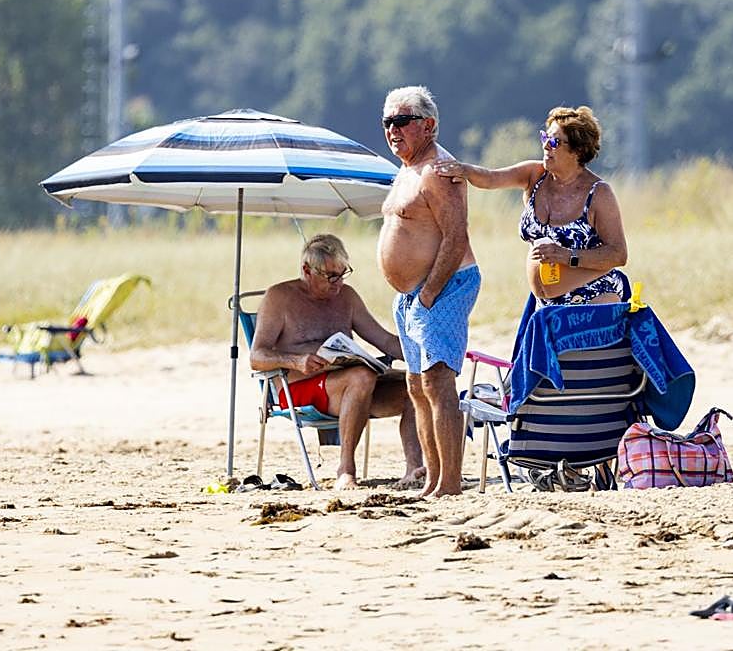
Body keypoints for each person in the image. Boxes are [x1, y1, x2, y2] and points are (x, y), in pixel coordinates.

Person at [249, 233, 424, 490]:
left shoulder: (347, 297)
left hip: (351, 387)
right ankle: (346, 470)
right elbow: (257, 357)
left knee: (417, 384)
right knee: (361, 376)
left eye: (343, 274)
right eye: (331, 276)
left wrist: (428, 355)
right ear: (307, 270)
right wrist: (296, 361)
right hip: (299, 387)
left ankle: (414, 468)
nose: (338, 283)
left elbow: (385, 341)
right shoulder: (280, 298)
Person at [377, 86, 481, 498]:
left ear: (429, 125)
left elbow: (456, 237)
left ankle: (450, 483)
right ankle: (433, 478)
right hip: (410, 295)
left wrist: (429, 292)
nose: (393, 130)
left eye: (402, 121)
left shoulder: (439, 170)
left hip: (443, 286)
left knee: (438, 383)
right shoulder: (406, 169)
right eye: (387, 122)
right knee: (416, 388)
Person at [433, 105, 627, 305]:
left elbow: (618, 254)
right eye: (545, 138)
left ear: (577, 150)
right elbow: (491, 178)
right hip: (545, 305)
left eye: (554, 142)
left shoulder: (598, 193)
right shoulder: (535, 175)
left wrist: (567, 256)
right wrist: (463, 169)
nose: (545, 146)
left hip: (593, 297)